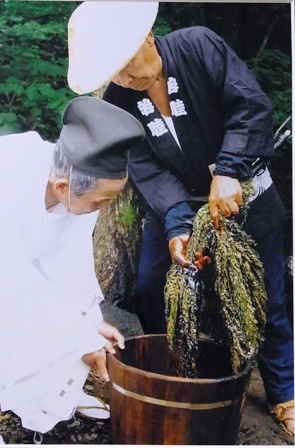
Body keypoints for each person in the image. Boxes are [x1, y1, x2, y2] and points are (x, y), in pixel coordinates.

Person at [67, 2, 294, 436]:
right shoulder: (120, 97)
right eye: (113, 73)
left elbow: (250, 105)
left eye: (128, 66)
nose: (125, 80)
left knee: (268, 296)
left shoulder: (198, 46)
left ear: (148, 38)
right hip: (178, 204)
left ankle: (284, 392)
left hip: (243, 189)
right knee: (153, 285)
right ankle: (175, 371)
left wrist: (229, 169)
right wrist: (177, 224)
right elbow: (146, 167)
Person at [0, 96, 145, 436]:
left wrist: (91, 325)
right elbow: (14, 284)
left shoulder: (73, 186)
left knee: (71, 326)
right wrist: (78, 337)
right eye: (100, 202)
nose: (103, 209)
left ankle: (50, 395)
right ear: (63, 187)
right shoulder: (10, 177)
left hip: (14, 279)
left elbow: (70, 268)